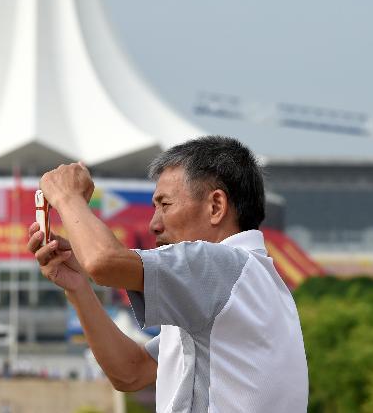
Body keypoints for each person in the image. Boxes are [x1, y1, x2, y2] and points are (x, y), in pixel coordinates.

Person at [28, 135, 308, 412]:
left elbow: (103, 261)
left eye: (165, 205)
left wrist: (66, 196)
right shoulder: (248, 281)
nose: (154, 224)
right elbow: (131, 371)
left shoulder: (217, 266)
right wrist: (78, 287)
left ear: (215, 206)